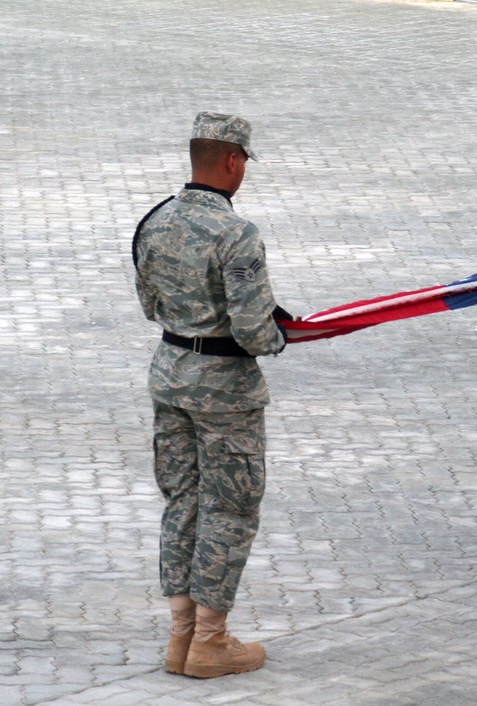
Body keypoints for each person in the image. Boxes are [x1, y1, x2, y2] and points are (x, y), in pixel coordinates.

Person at [133, 112, 290, 677]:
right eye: (244, 160)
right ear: (232, 160)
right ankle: (211, 641)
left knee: (183, 502)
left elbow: (150, 304)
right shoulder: (235, 234)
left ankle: (180, 637)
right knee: (230, 509)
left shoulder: (154, 221)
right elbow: (254, 331)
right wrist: (282, 335)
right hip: (225, 391)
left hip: (171, 373)